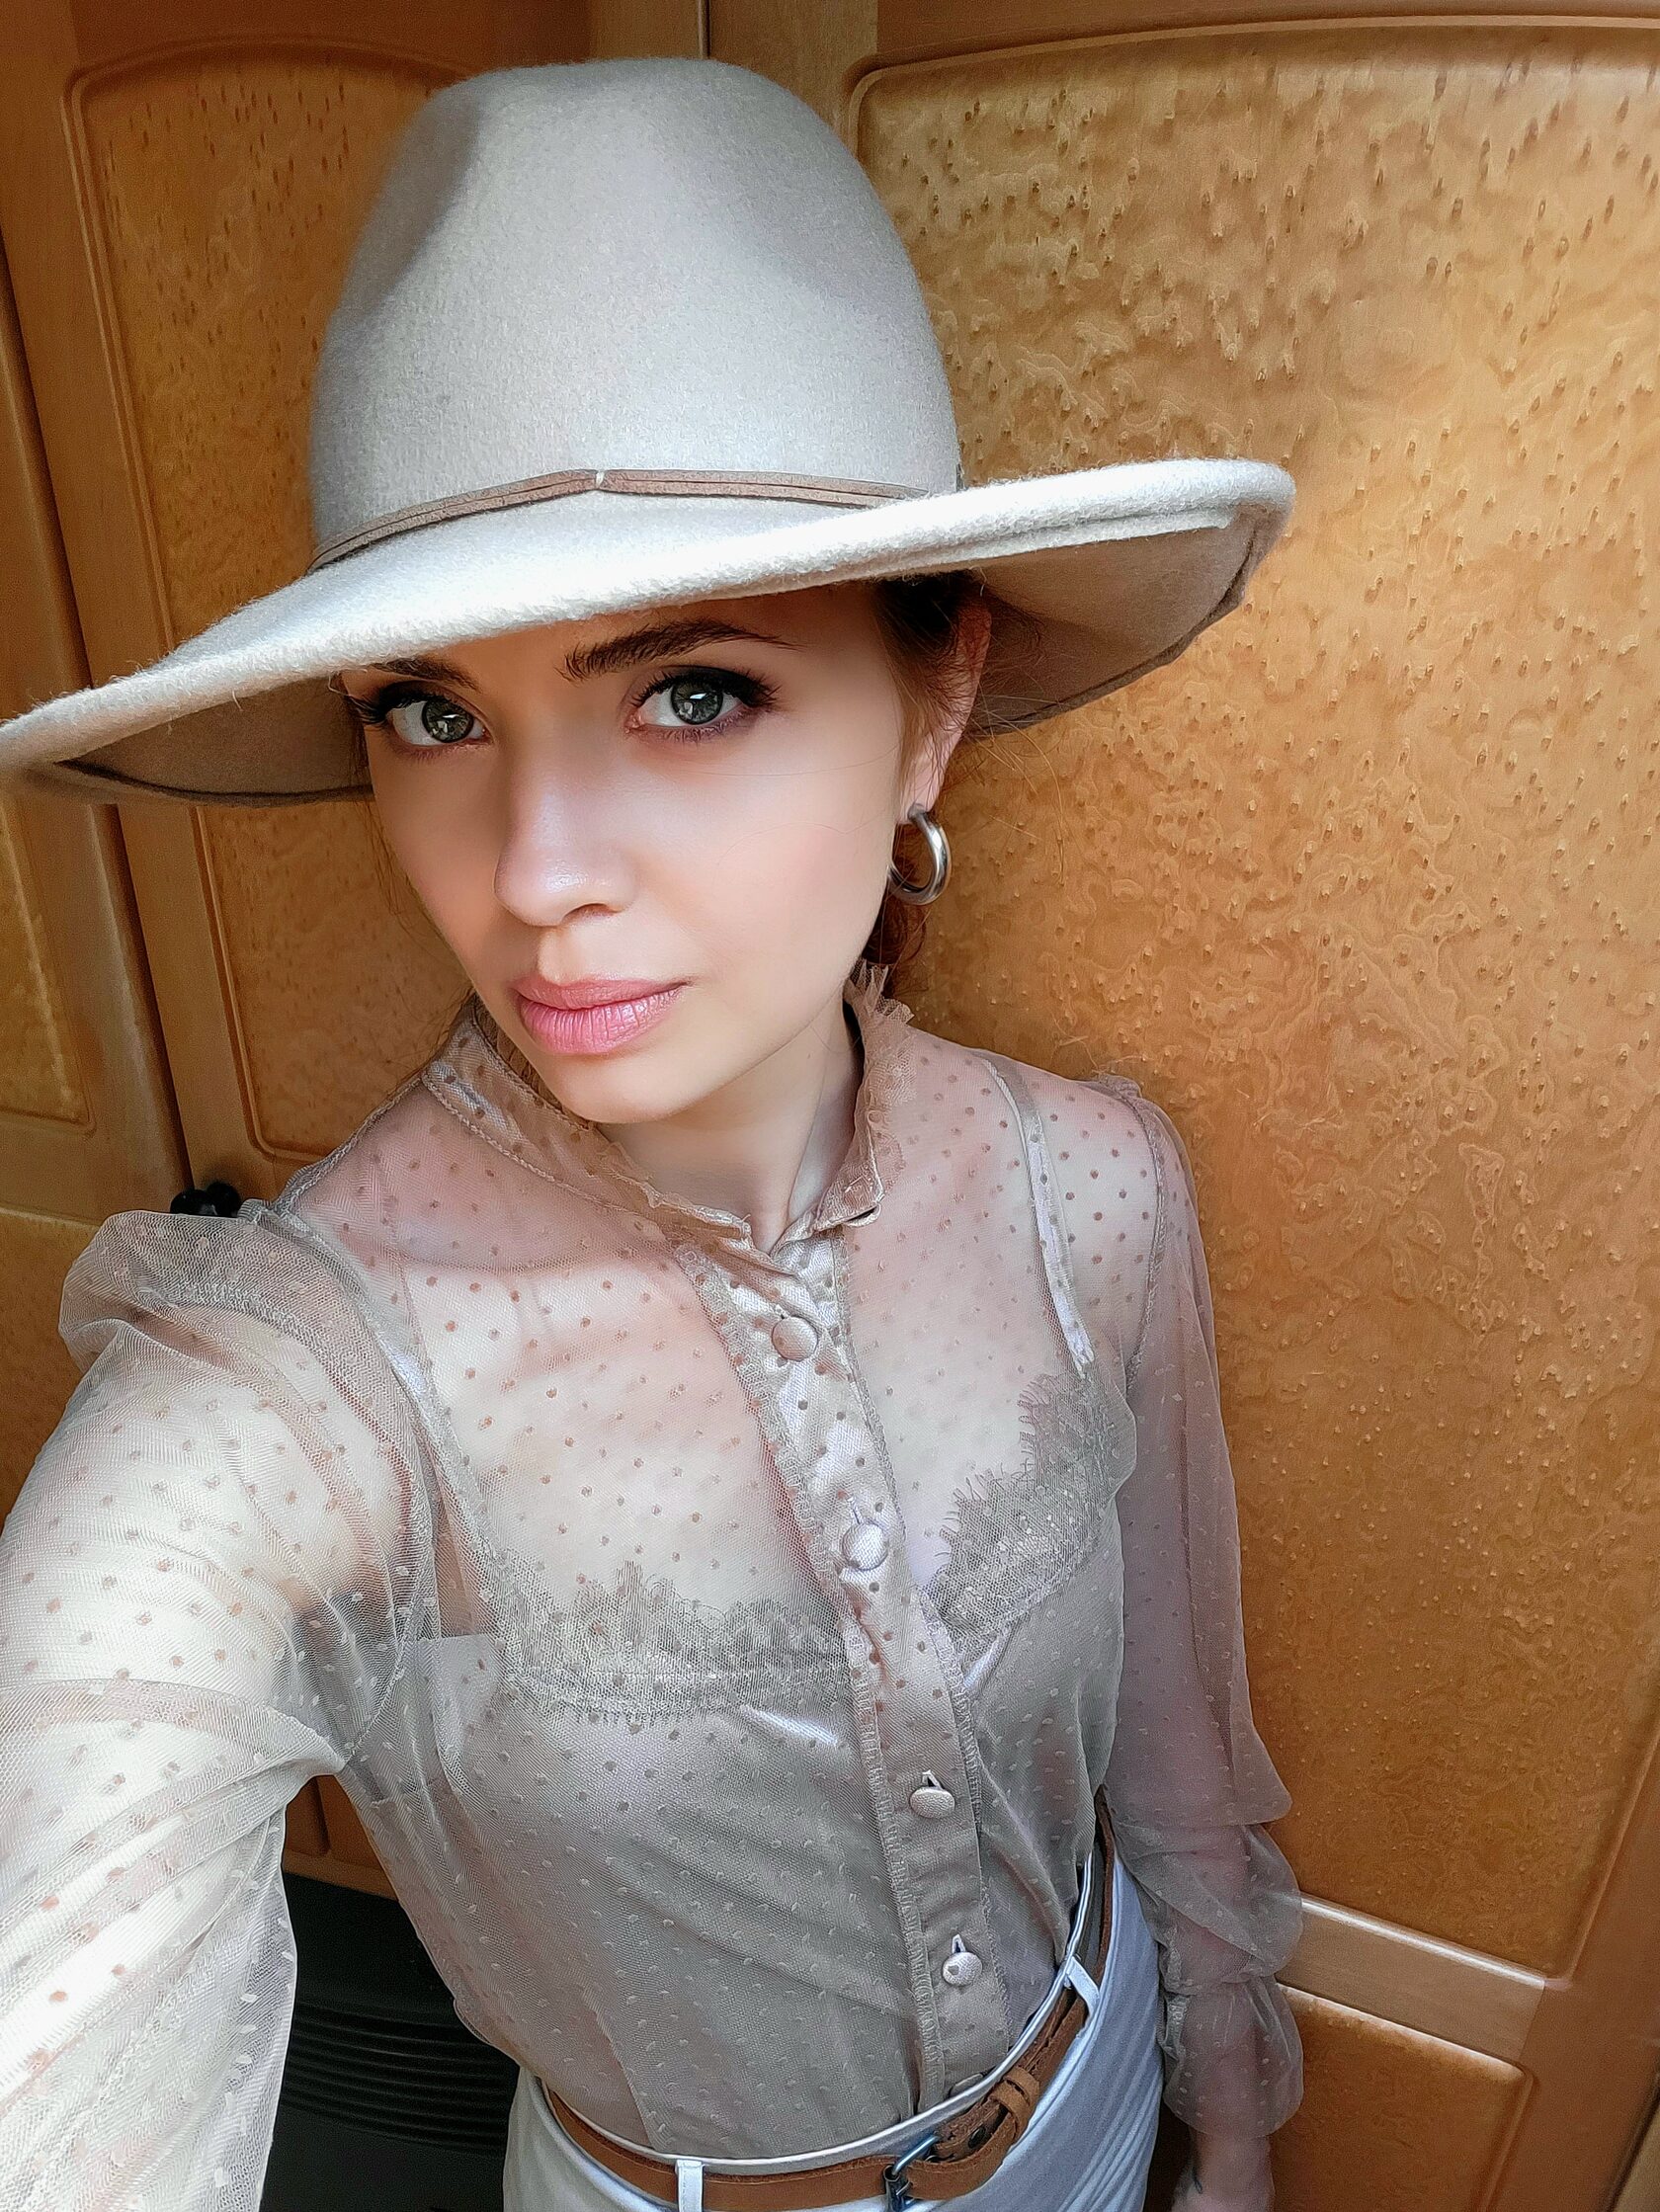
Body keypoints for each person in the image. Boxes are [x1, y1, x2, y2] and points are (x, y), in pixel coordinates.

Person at [0, 55, 1304, 2212]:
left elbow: (1170, 1729)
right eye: (433, 711)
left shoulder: (1087, 1189)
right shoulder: (307, 1379)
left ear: (937, 699)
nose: (531, 870)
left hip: (1095, 2112)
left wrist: (1228, 2121)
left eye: (695, 691)